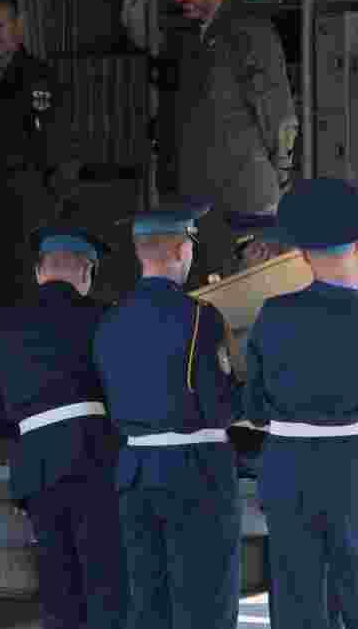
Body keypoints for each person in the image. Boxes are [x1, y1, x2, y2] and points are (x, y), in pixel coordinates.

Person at [244, 178, 358, 629]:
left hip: (288, 471)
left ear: (301, 254)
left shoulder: (272, 317)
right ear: (357, 246)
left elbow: (256, 409)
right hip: (354, 474)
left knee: (297, 605)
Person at [93, 201, 243, 629]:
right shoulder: (200, 318)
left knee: (148, 601)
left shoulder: (110, 321)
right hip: (196, 472)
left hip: (136, 470)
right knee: (205, 602)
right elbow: (220, 404)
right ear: (181, 250)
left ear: (141, 253)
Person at [0, 225, 128, 629]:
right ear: (86, 272)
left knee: (58, 584)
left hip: (38, 466)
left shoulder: (2, 325)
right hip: (97, 460)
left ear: (39, 272)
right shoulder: (105, 318)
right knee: (105, 582)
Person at [163, 0, 298, 287]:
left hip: (247, 205)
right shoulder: (189, 41)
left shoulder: (249, 31)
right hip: (202, 210)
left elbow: (279, 117)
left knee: (248, 299)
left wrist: (278, 183)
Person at [0, 0, 75, 324]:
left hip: (33, 219)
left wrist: (53, 218)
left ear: (17, 26)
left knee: (34, 311)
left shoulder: (39, 80)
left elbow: (60, 153)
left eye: (0, 25)